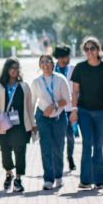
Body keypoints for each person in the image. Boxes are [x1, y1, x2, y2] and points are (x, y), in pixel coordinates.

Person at [69, 37, 103, 190]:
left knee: (98, 146)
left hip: (102, 112)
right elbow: (75, 92)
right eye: (86, 49)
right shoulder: (79, 68)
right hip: (84, 111)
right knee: (87, 144)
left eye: (92, 49)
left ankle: (99, 181)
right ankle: (85, 180)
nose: (89, 52)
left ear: (98, 50)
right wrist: (74, 111)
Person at [0, 57, 35, 193]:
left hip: (20, 126)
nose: (15, 71)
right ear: (7, 70)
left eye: (17, 68)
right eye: (12, 68)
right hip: (3, 124)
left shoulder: (24, 86)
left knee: (20, 152)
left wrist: (33, 124)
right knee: (5, 152)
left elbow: (29, 107)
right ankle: (9, 173)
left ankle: (18, 179)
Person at [32, 54, 70, 191]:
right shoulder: (36, 82)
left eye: (48, 62)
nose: (45, 64)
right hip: (42, 118)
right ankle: (48, 179)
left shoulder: (60, 79)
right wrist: (32, 122)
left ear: (52, 64)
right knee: (46, 148)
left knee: (58, 148)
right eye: (42, 62)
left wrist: (54, 106)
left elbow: (67, 99)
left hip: (59, 117)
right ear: (40, 65)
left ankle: (58, 175)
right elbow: (32, 102)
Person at [53, 45, 79, 173]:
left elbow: (76, 89)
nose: (68, 59)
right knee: (57, 137)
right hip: (55, 109)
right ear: (59, 57)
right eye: (65, 57)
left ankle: (70, 157)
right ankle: (57, 160)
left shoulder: (73, 69)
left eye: (69, 56)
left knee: (70, 136)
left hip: (69, 108)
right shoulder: (52, 68)